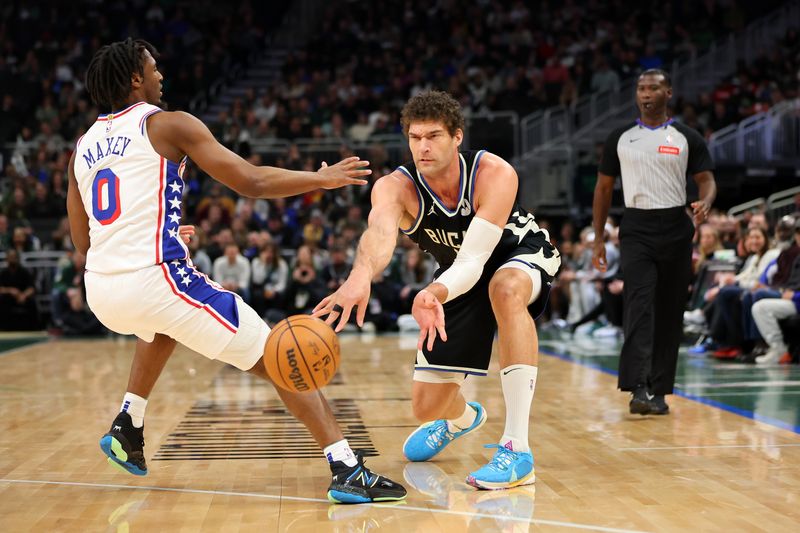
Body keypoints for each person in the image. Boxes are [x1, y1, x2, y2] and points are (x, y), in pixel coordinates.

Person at [67, 38, 405, 504]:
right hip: (155, 280)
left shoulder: (81, 147)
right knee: (283, 357)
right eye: (153, 67)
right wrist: (319, 179)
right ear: (134, 79)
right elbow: (251, 180)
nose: (160, 75)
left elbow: (84, 241)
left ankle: (129, 422)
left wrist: (150, 234)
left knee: (160, 323)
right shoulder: (167, 124)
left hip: (102, 293)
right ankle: (346, 466)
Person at [314, 90, 561, 490]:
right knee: (425, 407)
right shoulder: (395, 186)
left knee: (504, 288)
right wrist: (360, 276)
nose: (423, 147)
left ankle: (517, 449)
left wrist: (435, 293)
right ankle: (464, 418)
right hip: (455, 274)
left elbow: (476, 259)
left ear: (457, 137)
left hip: (518, 253)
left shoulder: (494, 173)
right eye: (415, 138)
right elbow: (378, 233)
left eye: (434, 136)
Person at [592, 69, 717, 416]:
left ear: (668, 93)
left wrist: (705, 201)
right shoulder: (620, 136)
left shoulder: (686, 137)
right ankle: (638, 387)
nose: (646, 93)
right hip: (636, 225)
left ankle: (660, 389)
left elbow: (707, 180)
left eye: (653, 88)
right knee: (640, 302)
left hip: (677, 225)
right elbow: (603, 189)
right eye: (641, 88)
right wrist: (598, 238)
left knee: (669, 308)